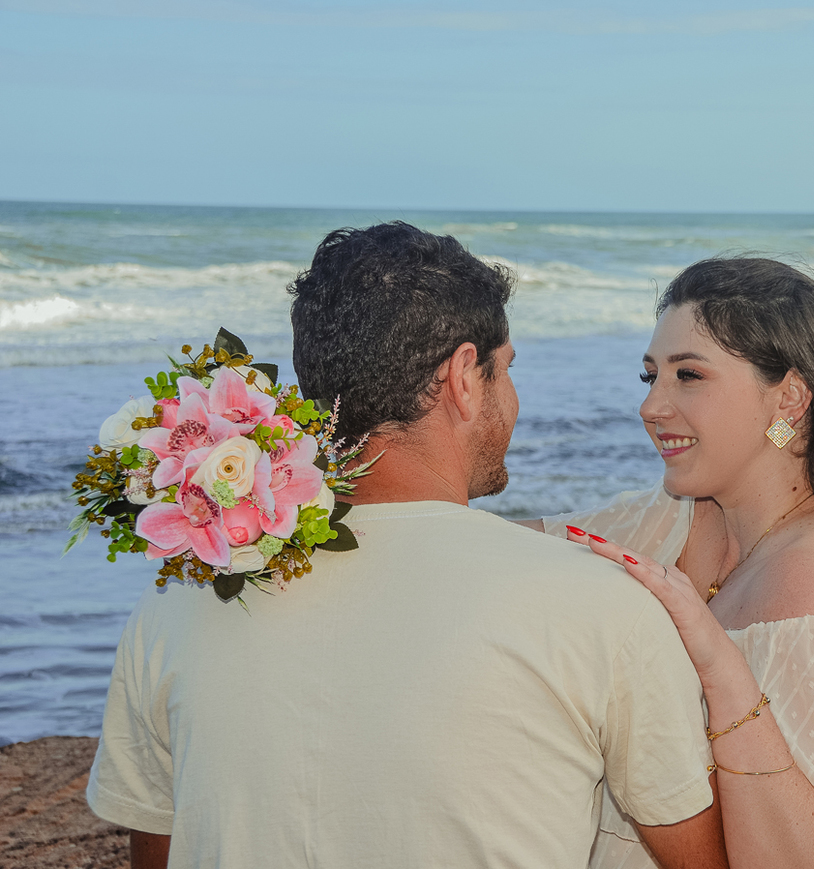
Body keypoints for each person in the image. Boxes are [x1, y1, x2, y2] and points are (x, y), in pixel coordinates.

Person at [86, 222, 727, 869]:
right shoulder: (598, 607)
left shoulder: (175, 605)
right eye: (505, 371)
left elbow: (157, 854)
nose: (514, 397)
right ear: (463, 379)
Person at [535, 257, 814, 869]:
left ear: (789, 397)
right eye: (650, 376)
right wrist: (344, 487)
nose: (652, 406)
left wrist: (721, 671)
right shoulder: (670, 518)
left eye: (689, 376)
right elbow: (493, 550)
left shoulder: (810, 583)